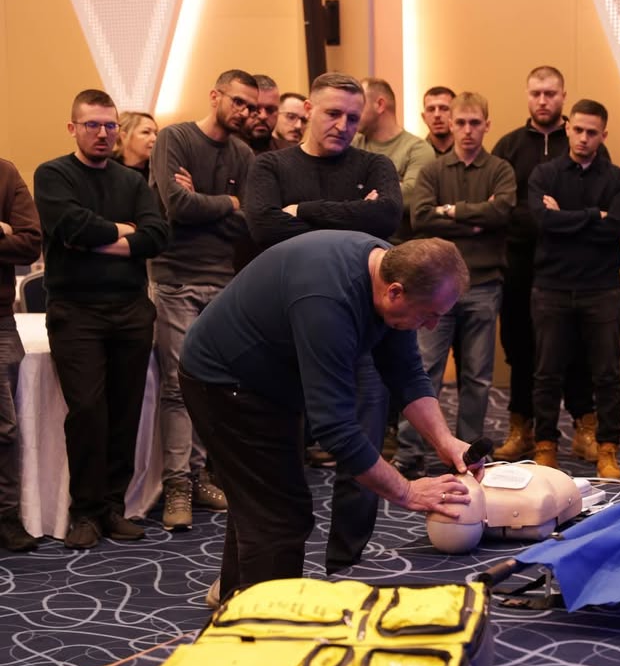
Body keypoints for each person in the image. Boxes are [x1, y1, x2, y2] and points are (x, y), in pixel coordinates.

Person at [179, 233, 478, 600]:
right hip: (224, 382)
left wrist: (445, 442)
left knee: (261, 500)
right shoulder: (328, 303)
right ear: (395, 292)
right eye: (430, 314)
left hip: (271, 379)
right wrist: (407, 491)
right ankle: (264, 623)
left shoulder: (395, 271)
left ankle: (236, 596)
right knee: (279, 517)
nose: (432, 326)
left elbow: (406, 373)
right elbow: (336, 429)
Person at [245, 71, 403, 574]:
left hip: (361, 331)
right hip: (284, 335)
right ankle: (273, 568)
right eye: (333, 113)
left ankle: (344, 566)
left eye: (353, 118)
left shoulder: (375, 164)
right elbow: (263, 226)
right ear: (308, 110)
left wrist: (305, 211)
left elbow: (387, 219)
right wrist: (355, 214)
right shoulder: (270, 165)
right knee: (278, 458)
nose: (343, 125)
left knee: (362, 455)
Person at [34, 89, 170, 548]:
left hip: (131, 309)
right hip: (76, 311)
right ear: (72, 128)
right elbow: (70, 226)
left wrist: (100, 239)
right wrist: (127, 232)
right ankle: (86, 511)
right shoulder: (53, 174)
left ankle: (113, 507)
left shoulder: (132, 181)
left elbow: (157, 236)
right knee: (88, 411)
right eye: (92, 125)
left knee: (125, 410)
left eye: (110, 125)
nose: (103, 133)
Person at [149, 69, 256, 530]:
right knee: (178, 388)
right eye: (238, 101)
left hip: (223, 282)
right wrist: (227, 203)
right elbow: (175, 207)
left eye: (251, 106)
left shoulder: (244, 154)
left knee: (215, 386)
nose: (245, 112)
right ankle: (178, 485)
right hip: (175, 279)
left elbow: (249, 223)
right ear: (215, 95)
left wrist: (209, 205)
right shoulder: (174, 138)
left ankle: (199, 476)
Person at [394, 92, 515, 475]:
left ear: (486, 125)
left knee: (477, 377)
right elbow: (422, 219)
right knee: (424, 370)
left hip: (484, 285)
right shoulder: (433, 169)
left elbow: (501, 214)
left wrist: (451, 212)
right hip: (434, 288)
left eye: (474, 123)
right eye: (460, 122)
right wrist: (475, 220)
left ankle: (468, 453)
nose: (467, 130)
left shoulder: (500, 170)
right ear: (451, 123)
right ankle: (410, 451)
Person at [491, 66, 604, 464]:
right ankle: (522, 428)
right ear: (527, 95)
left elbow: (598, 206)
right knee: (521, 349)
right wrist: (549, 215)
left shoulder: (581, 140)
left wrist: (560, 216)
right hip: (519, 264)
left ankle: (584, 429)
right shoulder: (508, 146)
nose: (543, 100)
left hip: (573, 266)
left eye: (551, 93)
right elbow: (501, 208)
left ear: (563, 96)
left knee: (575, 350)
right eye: (536, 93)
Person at [528, 99, 620, 478]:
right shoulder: (544, 174)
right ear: (567, 128)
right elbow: (542, 222)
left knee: (607, 374)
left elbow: (614, 229)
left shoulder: (617, 179)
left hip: (601, 288)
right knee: (547, 373)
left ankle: (607, 449)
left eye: (592, 132)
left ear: (604, 135)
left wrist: (566, 218)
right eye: (578, 130)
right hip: (551, 287)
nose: (584, 138)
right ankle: (545, 446)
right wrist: (592, 216)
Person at [0, 157, 42, 552]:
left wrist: (11, 233)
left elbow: (30, 243)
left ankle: (6, 517)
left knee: (4, 429)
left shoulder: (5, 172)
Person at [354, 77, 436, 244]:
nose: (353, 113)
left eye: (359, 105)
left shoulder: (418, 149)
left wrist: (359, 191)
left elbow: (411, 197)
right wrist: (392, 186)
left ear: (380, 105)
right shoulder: (353, 143)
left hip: (399, 244)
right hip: (354, 240)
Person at [112, 111, 157, 182]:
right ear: (124, 137)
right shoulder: (105, 165)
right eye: (146, 132)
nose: (155, 139)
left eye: (156, 133)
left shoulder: (159, 170)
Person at [422, 86, 455, 156]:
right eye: (431, 109)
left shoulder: (470, 152)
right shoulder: (416, 154)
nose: (437, 115)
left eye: (444, 108)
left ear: (456, 114)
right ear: (424, 117)